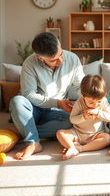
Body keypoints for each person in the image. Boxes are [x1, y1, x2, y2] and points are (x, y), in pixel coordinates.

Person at [9, 32, 84, 160]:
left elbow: (80, 87)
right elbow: (29, 94)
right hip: (32, 109)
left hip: (55, 112)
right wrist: (58, 102)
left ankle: (24, 131)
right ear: (40, 58)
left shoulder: (73, 59)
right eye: (54, 60)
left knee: (75, 121)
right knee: (17, 101)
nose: (60, 61)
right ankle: (33, 142)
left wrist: (87, 101)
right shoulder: (30, 63)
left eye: (61, 54)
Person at [56, 75, 110, 160]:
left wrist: (98, 112)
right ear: (83, 96)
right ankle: (71, 147)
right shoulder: (79, 103)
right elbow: (72, 119)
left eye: (98, 101)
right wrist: (83, 116)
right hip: (78, 133)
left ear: (104, 95)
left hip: (96, 135)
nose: (95, 105)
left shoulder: (104, 101)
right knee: (60, 133)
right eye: (91, 102)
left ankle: (79, 148)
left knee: (107, 138)